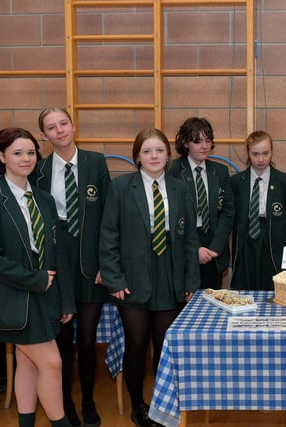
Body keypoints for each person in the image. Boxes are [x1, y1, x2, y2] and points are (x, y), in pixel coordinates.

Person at [0, 127, 76, 427]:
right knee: (52, 364)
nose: (26, 158)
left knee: (28, 364)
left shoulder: (44, 198)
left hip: (45, 297)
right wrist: (36, 280)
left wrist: (65, 299)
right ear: (1, 156)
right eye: (17, 152)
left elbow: (58, 254)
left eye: (30, 152)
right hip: (10, 297)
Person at [99, 128, 200, 427]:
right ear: (137, 157)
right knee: (137, 343)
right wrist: (114, 279)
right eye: (147, 151)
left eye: (159, 150)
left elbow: (190, 239)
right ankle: (137, 404)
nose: (154, 156)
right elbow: (108, 236)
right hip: (132, 280)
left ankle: (160, 406)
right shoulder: (120, 188)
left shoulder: (181, 188)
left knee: (163, 345)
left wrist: (191, 282)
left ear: (168, 155)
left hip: (170, 277)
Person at [33, 107, 111, 427]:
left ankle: (89, 400)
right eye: (51, 127)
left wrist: (107, 264)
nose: (59, 130)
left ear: (74, 126)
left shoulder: (96, 162)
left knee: (88, 340)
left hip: (91, 262)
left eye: (63, 123)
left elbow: (109, 218)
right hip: (57, 264)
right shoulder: (38, 170)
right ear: (44, 135)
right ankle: (65, 404)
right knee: (63, 341)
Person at [168, 117, 234, 289]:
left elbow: (228, 212)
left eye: (208, 140)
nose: (204, 146)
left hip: (214, 247)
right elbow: (172, 215)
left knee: (212, 302)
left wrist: (214, 248)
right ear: (185, 143)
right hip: (185, 243)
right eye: (197, 141)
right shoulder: (172, 171)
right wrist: (195, 248)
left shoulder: (220, 171)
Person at [229, 130, 286, 290]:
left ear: (272, 152)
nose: (260, 159)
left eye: (265, 153)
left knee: (273, 286)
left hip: (272, 238)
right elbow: (231, 218)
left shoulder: (284, 181)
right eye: (255, 154)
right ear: (248, 153)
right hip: (246, 239)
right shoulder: (237, 182)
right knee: (246, 286)